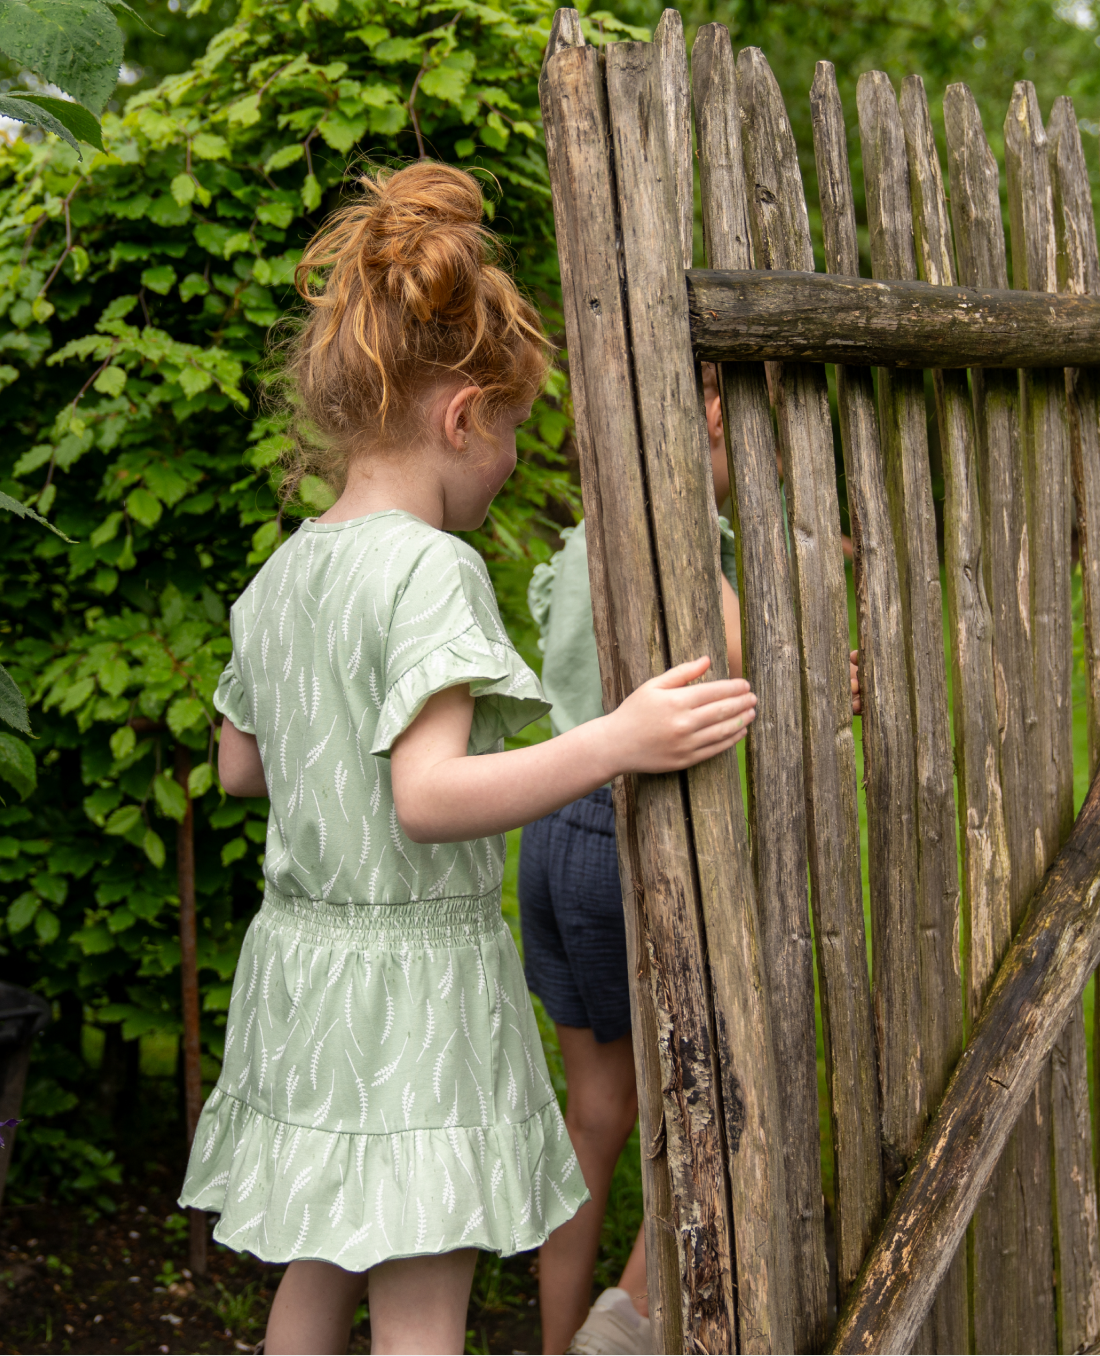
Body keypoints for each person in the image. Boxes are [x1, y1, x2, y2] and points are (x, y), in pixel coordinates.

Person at [177, 162, 759, 1356]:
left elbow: (241, 767)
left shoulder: (282, 572)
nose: (511, 463)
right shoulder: (431, 569)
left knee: (318, 1265)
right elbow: (428, 796)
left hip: (302, 979)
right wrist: (616, 738)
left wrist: (336, 764)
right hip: (410, 997)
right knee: (421, 1299)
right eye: (514, 432)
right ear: (462, 418)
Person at [521, 365, 861, 1355]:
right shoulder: (673, 539)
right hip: (622, 837)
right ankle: (621, 1328)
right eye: (764, 433)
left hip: (550, 826)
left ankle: (558, 1340)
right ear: (714, 412)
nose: (771, 462)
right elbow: (742, 669)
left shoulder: (588, 534)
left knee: (597, 1114)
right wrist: (816, 680)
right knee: (711, 1090)